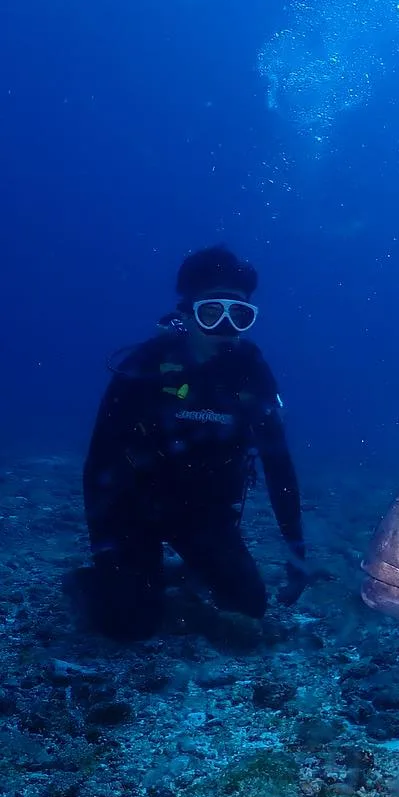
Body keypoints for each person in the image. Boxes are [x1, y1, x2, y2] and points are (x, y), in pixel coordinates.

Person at [74, 245, 315, 640]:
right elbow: (99, 460)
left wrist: (296, 547)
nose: (223, 325)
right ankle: (113, 577)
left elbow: (278, 463)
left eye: (237, 314)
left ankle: (166, 573)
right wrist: (101, 544)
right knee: (126, 628)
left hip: (206, 516)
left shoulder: (251, 372)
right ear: (186, 314)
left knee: (248, 604)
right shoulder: (146, 366)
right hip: (133, 512)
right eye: (210, 312)